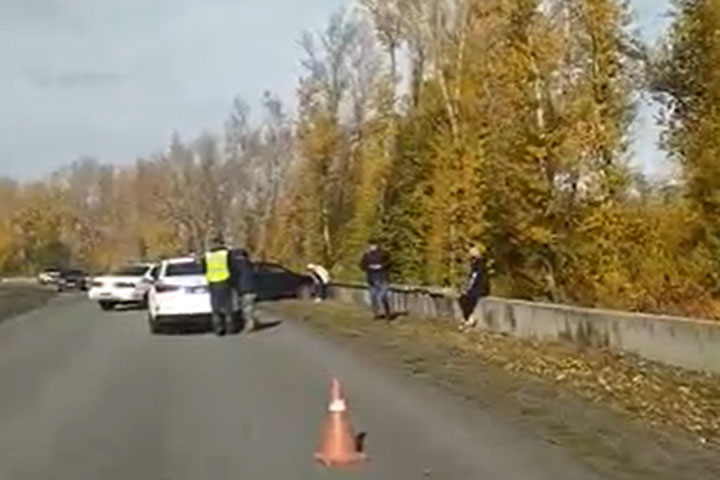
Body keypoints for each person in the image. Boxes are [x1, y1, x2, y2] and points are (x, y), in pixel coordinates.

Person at [202, 235, 234, 336]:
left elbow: (203, 269)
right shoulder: (226, 254)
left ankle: (218, 328)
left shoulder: (207, 256)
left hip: (213, 282)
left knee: (216, 308)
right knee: (227, 306)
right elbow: (232, 266)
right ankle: (230, 327)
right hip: (225, 281)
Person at [359, 240, 392, 320]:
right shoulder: (367, 255)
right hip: (372, 279)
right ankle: (376, 313)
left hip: (382, 277)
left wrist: (381, 266)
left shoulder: (383, 253)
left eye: (374, 245)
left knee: (382, 296)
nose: (372, 247)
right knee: (373, 297)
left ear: (377, 245)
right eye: (371, 246)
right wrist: (369, 267)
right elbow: (362, 265)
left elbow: (390, 263)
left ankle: (387, 312)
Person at [459, 247, 490, 330]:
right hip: (477, 287)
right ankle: (468, 317)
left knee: (468, 298)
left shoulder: (479, 264)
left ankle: (468, 318)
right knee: (464, 298)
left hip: (479, 288)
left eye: (472, 252)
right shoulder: (476, 263)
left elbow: (476, 278)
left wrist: (468, 288)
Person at [230, 248, 259, 333]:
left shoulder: (234, 266)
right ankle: (250, 322)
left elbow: (234, 278)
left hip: (241, 289)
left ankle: (249, 324)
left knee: (243, 307)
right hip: (251, 288)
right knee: (249, 307)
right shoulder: (250, 265)